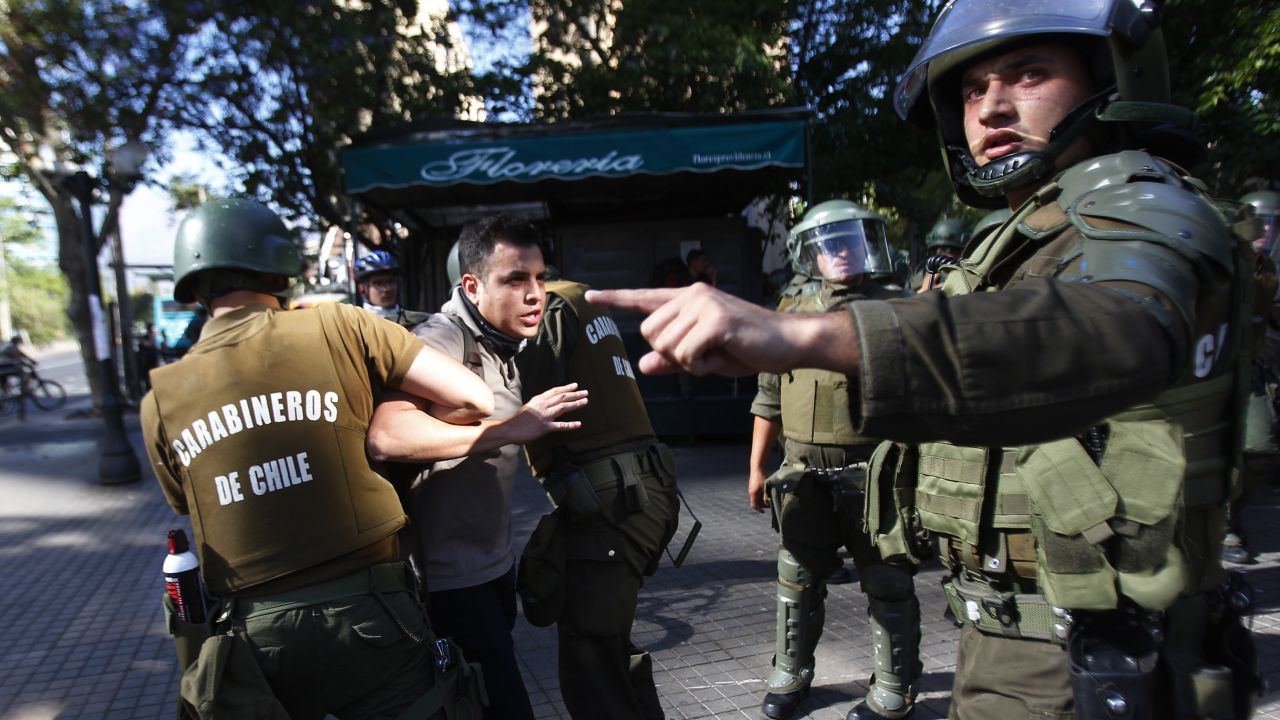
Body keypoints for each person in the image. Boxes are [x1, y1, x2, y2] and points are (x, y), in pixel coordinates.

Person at [589, 1, 1262, 717]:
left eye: (1028, 74)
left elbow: (1121, 326)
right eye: (972, 90)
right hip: (1024, 634)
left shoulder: (1139, 200)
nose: (991, 109)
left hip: (1088, 648)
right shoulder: (1034, 227)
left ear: (1111, 78)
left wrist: (812, 336)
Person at [140, 198, 527, 718]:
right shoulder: (341, 327)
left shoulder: (158, 398)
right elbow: (473, 398)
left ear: (192, 284)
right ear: (280, 269)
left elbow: (186, 502)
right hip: (372, 613)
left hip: (256, 639)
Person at [749, 200, 920, 720]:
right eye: (828, 244)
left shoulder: (898, 309)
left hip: (876, 476)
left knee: (888, 580)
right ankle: (791, 671)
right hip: (803, 477)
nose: (840, 253)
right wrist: (756, 466)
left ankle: (894, 683)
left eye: (849, 241)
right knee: (797, 576)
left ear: (869, 243)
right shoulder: (792, 310)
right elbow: (769, 395)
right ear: (811, 254)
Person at [392, 214, 550, 720]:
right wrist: (509, 430)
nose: (535, 294)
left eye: (540, 278)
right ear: (472, 286)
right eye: (515, 280)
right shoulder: (442, 339)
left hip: (491, 567)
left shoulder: (500, 343)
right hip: (450, 583)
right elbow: (386, 434)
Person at [511, 272, 680, 720]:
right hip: (642, 489)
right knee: (611, 646)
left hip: (609, 499)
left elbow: (520, 398)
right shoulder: (579, 296)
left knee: (590, 663)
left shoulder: (544, 309)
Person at [1225, 189, 1280, 565]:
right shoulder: (1220, 260)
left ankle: (1233, 512)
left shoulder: (1267, 270)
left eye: (1270, 226)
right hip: (1212, 369)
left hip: (1254, 367)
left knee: (1260, 448)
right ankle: (1224, 526)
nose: (1263, 233)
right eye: (1257, 225)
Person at [354, 249, 430, 328]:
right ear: (362, 288)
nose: (387, 289)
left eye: (391, 281)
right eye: (379, 283)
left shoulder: (417, 321)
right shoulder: (356, 325)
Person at [912, 217, 969, 292]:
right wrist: (923, 291)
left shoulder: (971, 277)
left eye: (948, 249)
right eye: (939, 250)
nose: (942, 256)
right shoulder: (925, 275)